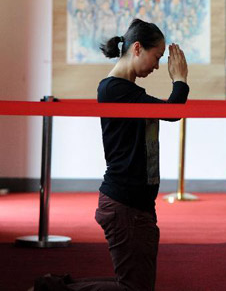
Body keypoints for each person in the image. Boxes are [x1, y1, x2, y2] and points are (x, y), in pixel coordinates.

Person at [32, 18, 189, 291]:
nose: (157, 65)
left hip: (135, 203)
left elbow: (166, 112)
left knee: (135, 286)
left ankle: (54, 287)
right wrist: (180, 80)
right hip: (124, 203)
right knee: (133, 288)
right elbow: (172, 112)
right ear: (137, 48)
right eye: (156, 57)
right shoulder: (114, 88)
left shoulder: (128, 90)